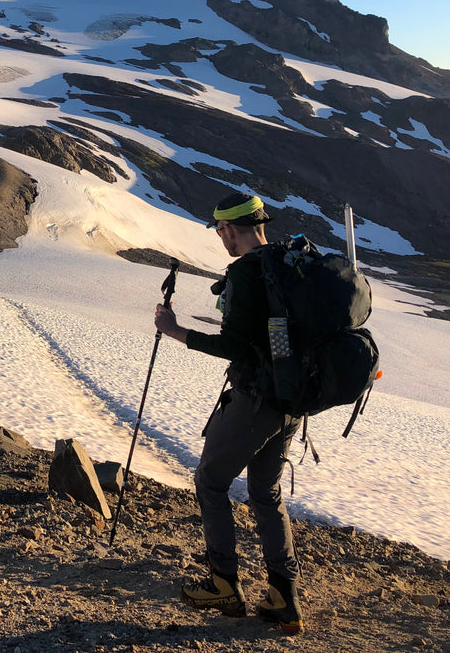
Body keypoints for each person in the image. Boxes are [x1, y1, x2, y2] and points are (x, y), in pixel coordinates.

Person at [154, 192, 304, 635]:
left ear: (228, 230)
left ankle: (224, 584)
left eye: (219, 230)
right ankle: (283, 595)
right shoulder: (288, 264)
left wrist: (175, 330)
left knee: (210, 481)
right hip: (292, 401)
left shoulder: (247, 273)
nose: (220, 238)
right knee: (265, 491)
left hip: (255, 399)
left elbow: (236, 346)